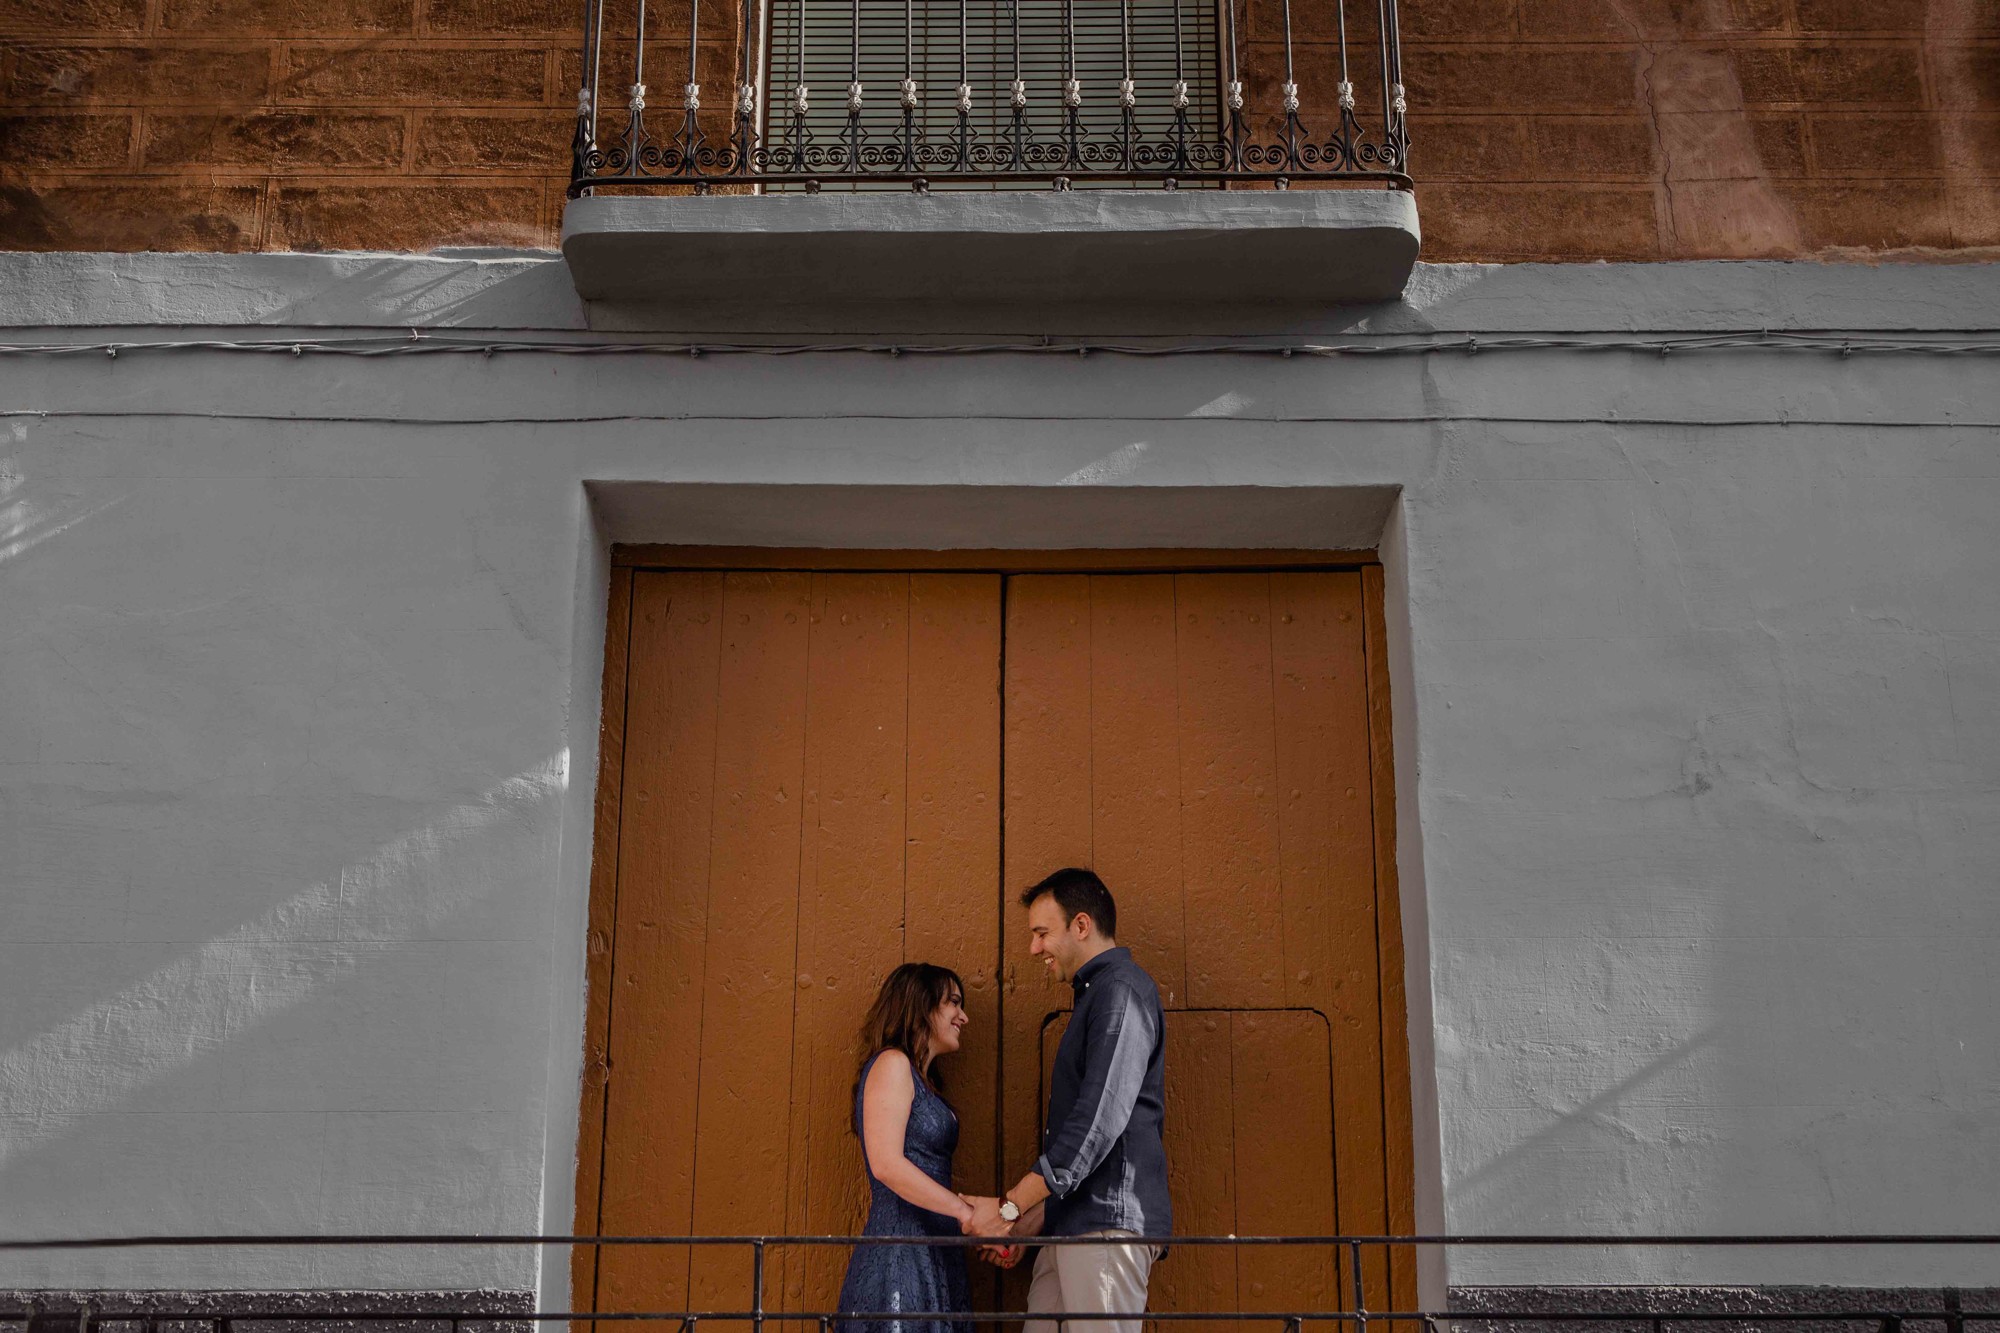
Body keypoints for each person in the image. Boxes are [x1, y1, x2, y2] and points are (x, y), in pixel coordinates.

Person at [965, 868, 1171, 1333]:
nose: (1034, 948)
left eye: (1042, 933)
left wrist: (1009, 1209)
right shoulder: (1097, 996)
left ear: (1081, 925)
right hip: (1070, 1229)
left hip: (1104, 1231)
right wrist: (1031, 1222)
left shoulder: (1121, 991)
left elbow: (1095, 1126)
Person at [838, 962, 1007, 1333]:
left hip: (934, 1253)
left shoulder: (924, 1080)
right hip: (900, 1255)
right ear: (922, 1005)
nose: (963, 1017)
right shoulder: (892, 1063)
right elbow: (886, 1164)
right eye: (954, 1003)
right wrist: (966, 1214)